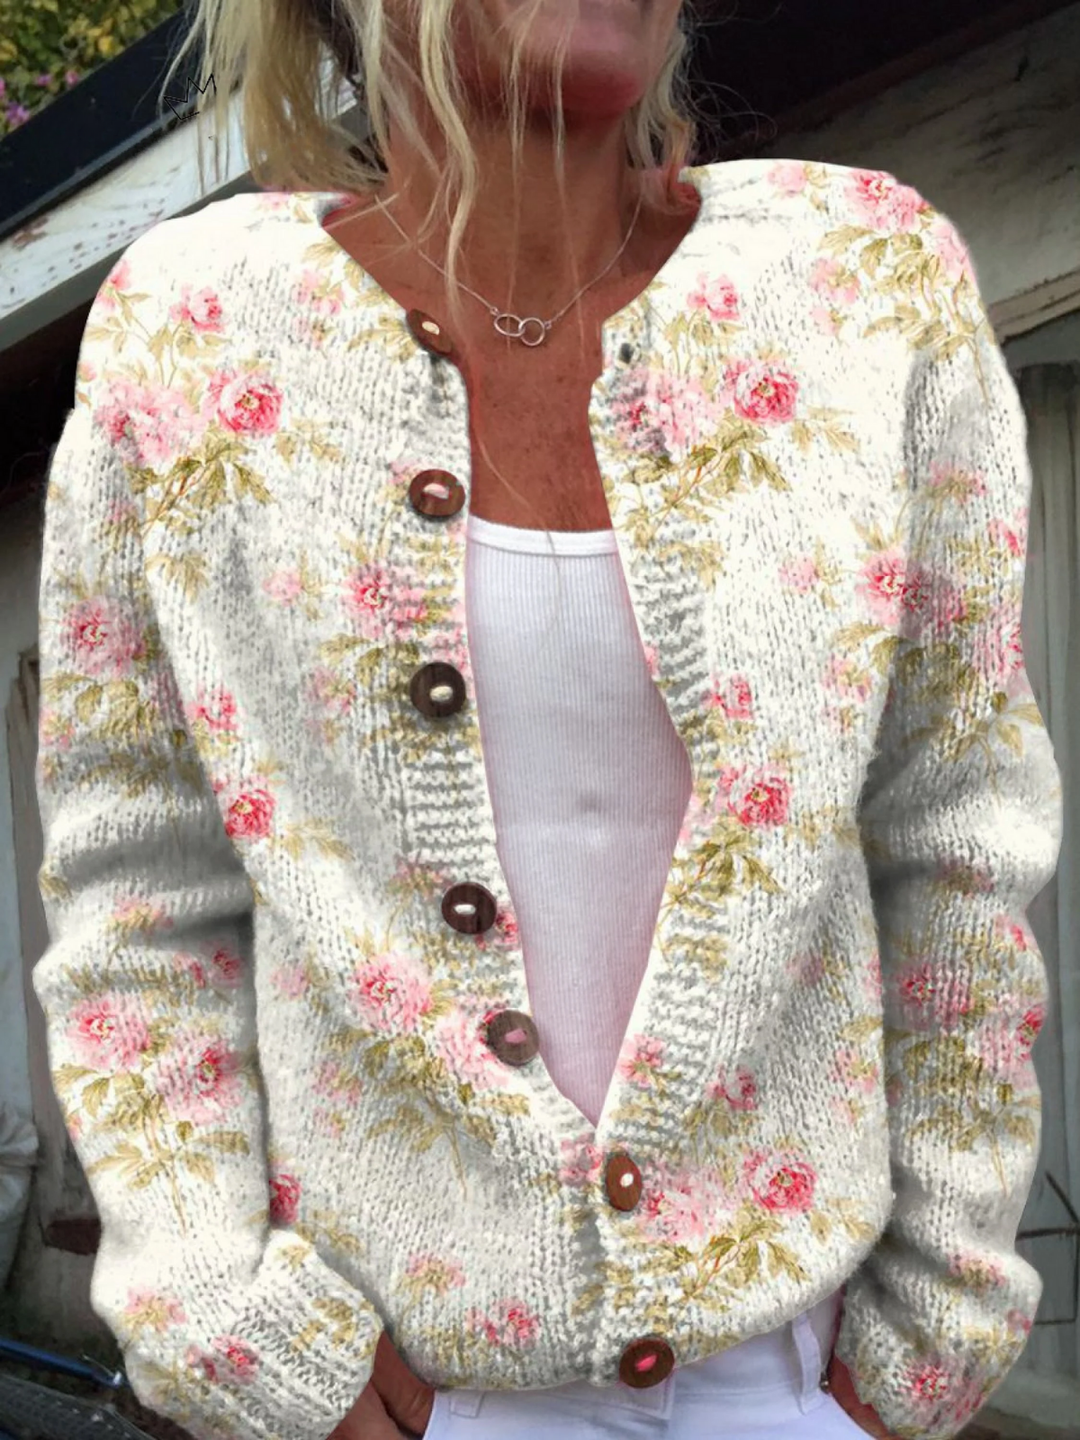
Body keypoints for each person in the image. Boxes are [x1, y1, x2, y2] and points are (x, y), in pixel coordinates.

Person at [31, 2, 1063, 1440]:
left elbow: (953, 832)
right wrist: (225, 1321)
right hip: (387, 1384)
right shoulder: (190, 330)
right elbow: (140, 890)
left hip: (797, 1381)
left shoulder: (864, 283)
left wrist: (934, 1330)